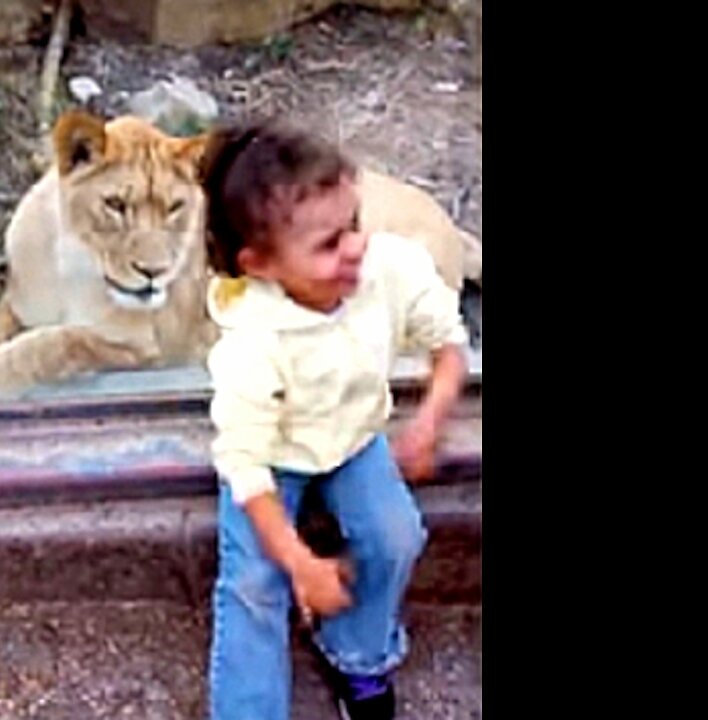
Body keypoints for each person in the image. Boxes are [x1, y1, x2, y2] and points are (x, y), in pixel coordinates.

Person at [201, 120, 469, 720]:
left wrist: (429, 420)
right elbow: (245, 468)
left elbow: (448, 342)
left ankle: (359, 653)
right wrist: (300, 562)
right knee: (252, 586)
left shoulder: (388, 267)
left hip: (352, 440)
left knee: (397, 535)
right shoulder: (252, 344)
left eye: (353, 223)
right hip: (273, 457)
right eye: (327, 244)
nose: (353, 248)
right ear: (262, 264)